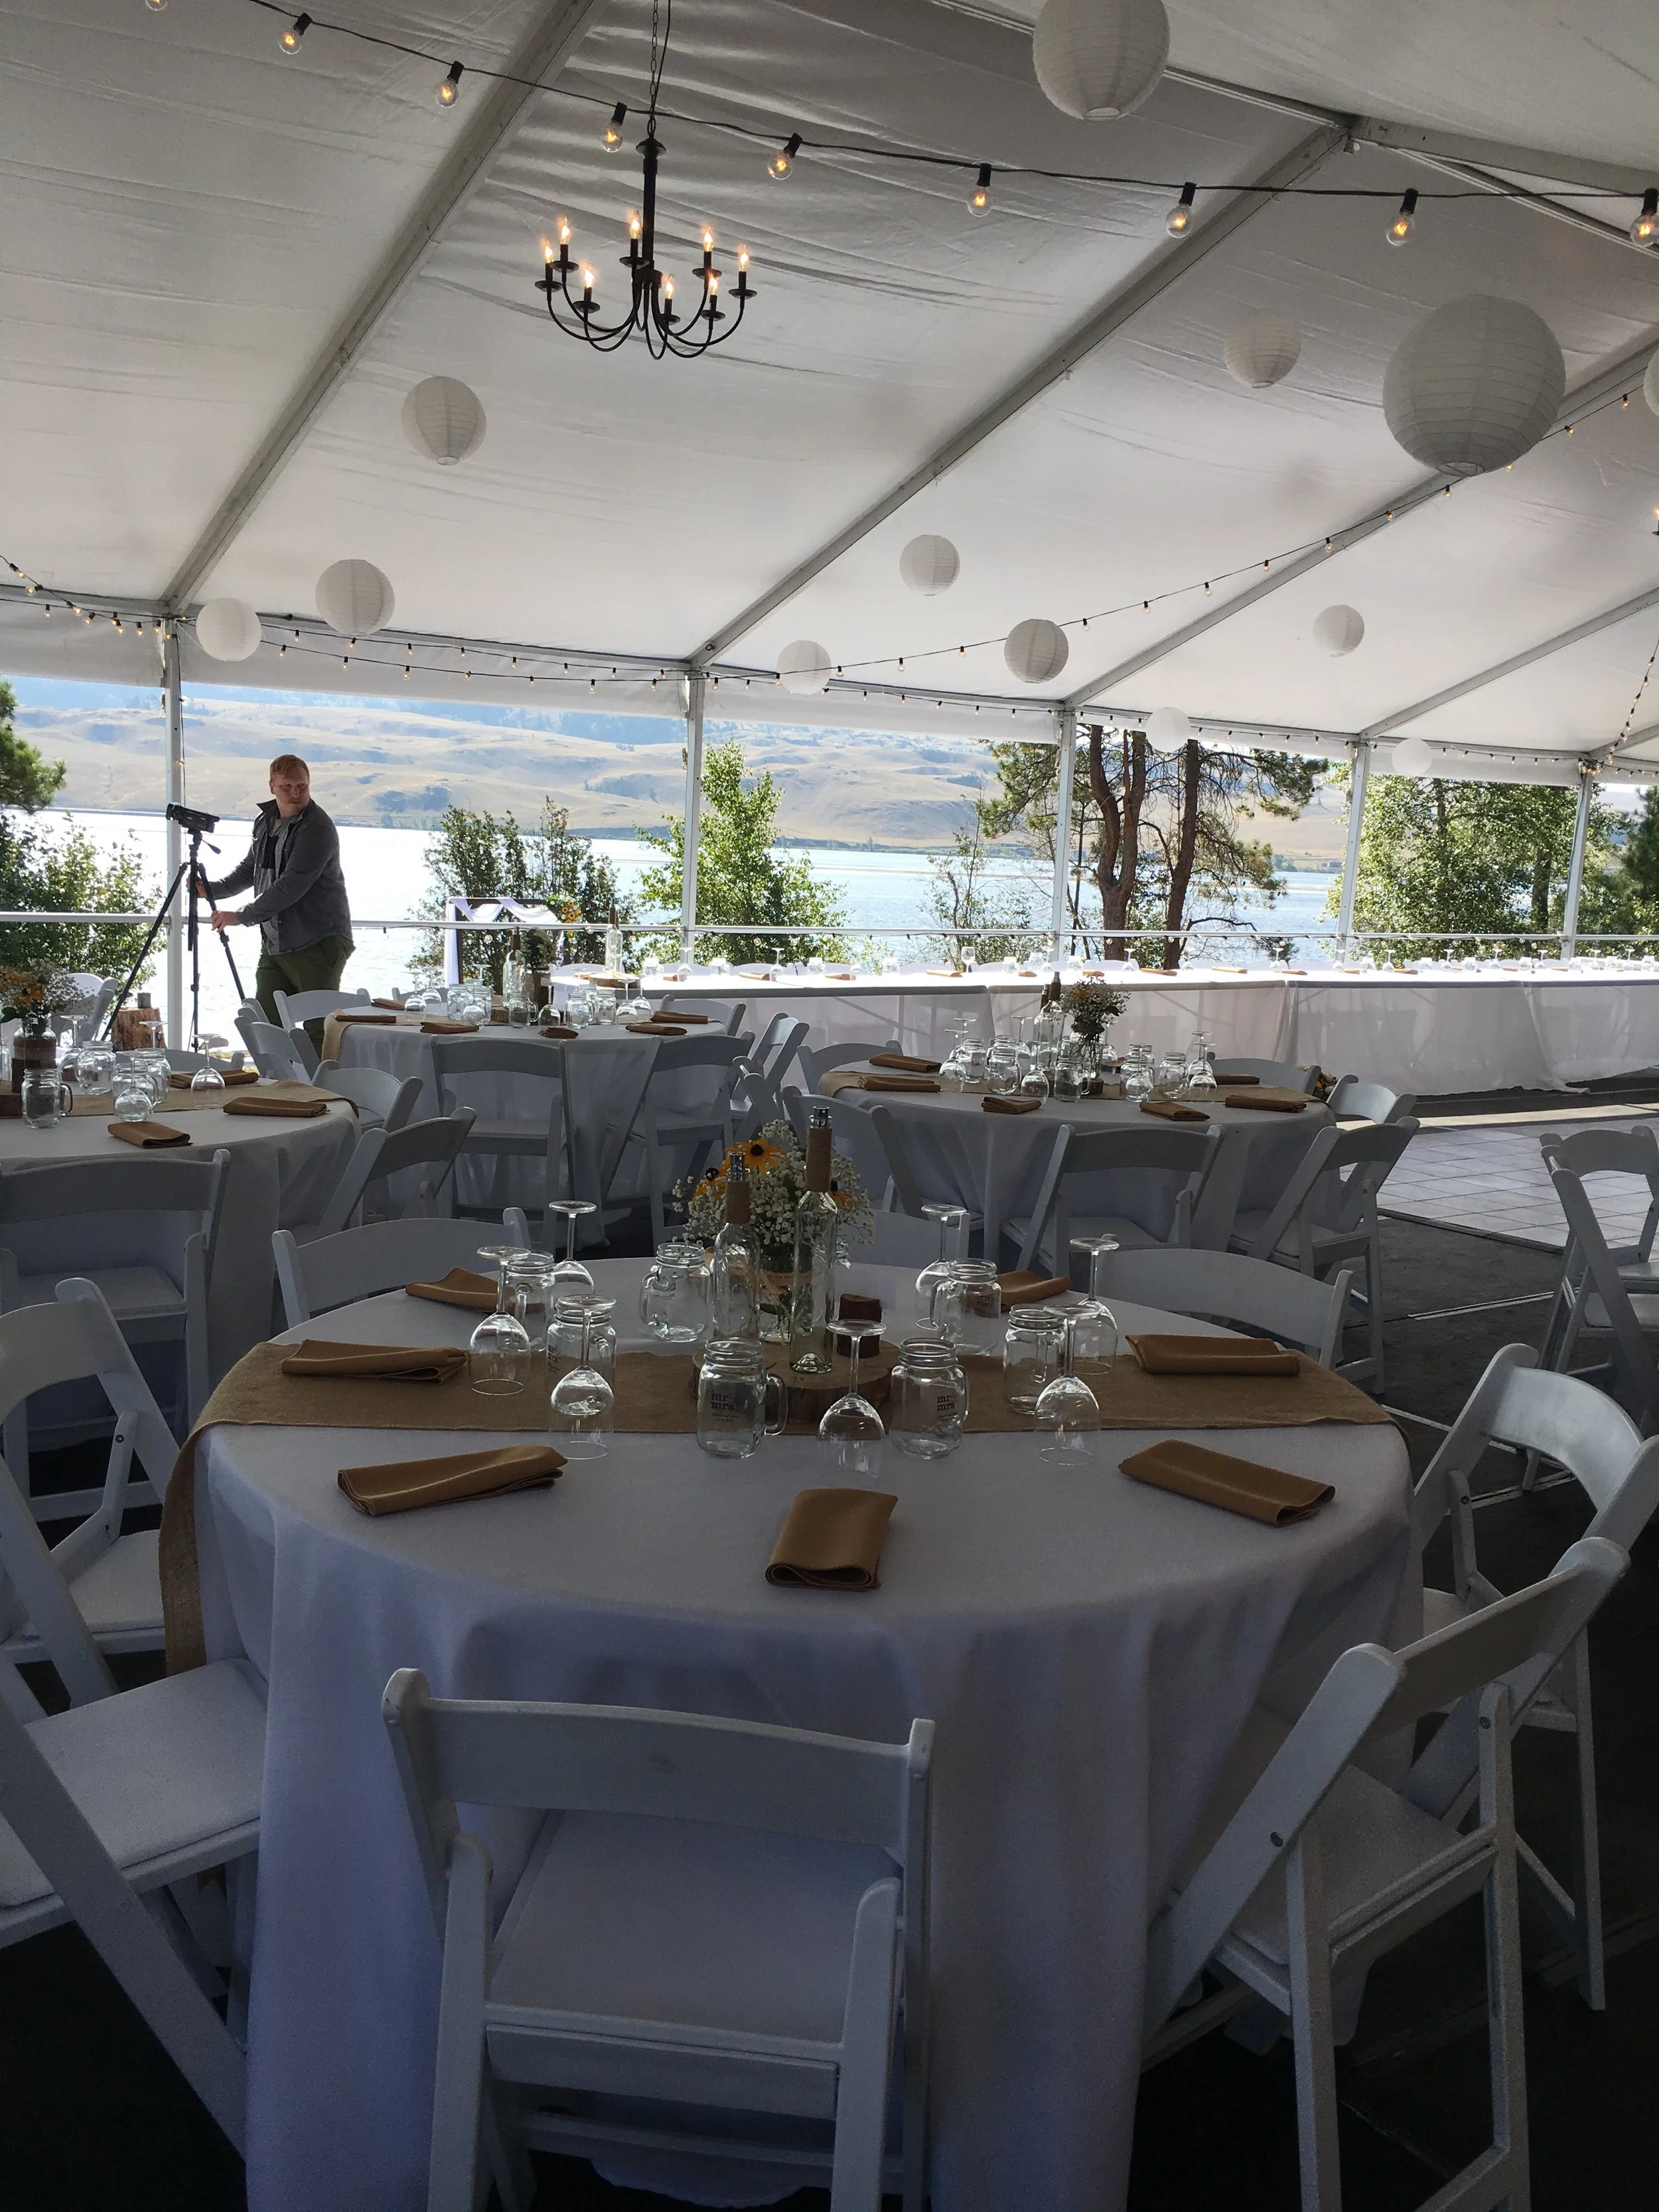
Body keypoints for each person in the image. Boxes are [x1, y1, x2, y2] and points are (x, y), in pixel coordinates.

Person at [202, 754, 354, 1026]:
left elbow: (291, 885)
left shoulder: (317, 828)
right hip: (276, 942)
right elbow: (251, 869)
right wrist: (211, 890)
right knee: (267, 1026)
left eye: (302, 786)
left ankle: (325, 1071)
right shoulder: (265, 822)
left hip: (318, 942)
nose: (295, 793)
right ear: (272, 786)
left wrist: (239, 916)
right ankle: (277, 1071)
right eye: (287, 787)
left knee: (319, 1028)